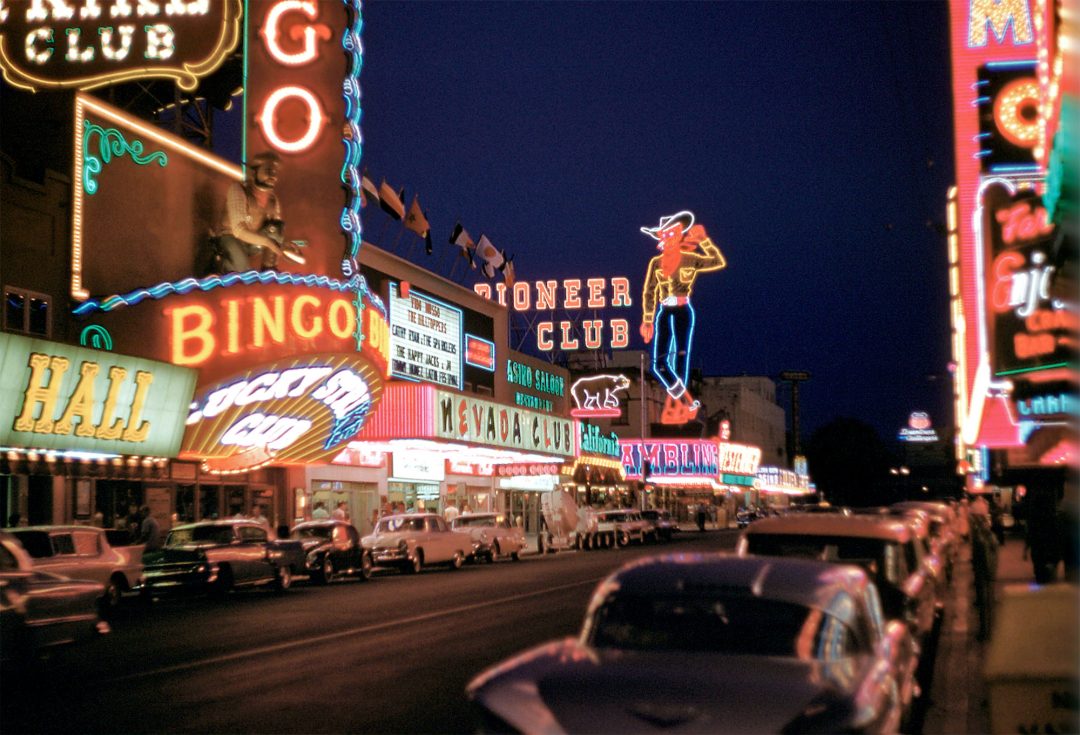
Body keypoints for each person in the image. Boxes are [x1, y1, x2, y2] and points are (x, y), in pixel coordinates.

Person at [639, 211, 726, 424]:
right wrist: (648, 319)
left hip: (683, 311)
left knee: (680, 360)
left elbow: (717, 261)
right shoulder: (656, 263)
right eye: (665, 234)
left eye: (673, 233)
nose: (669, 237)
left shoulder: (690, 259)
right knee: (659, 364)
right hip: (664, 312)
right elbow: (649, 291)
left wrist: (704, 240)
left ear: (679, 235)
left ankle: (680, 409)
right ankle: (686, 401)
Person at [215, 152, 294, 273]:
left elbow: (276, 232)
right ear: (254, 172)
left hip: (253, 241)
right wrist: (268, 242)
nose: (272, 176)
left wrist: (285, 245)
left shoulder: (273, 200)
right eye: (268, 171)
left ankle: (269, 271)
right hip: (230, 237)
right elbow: (238, 231)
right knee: (240, 268)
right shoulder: (238, 190)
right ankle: (223, 270)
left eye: (274, 172)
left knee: (275, 227)